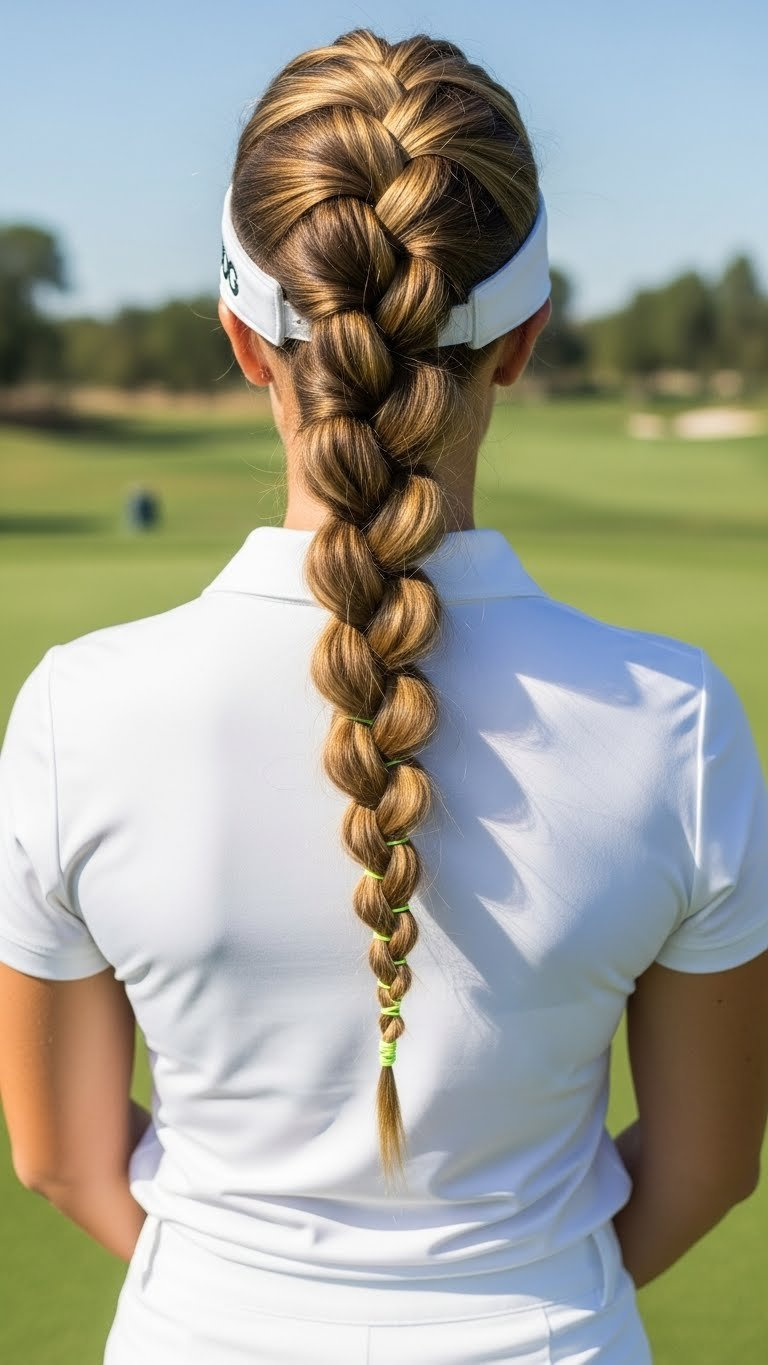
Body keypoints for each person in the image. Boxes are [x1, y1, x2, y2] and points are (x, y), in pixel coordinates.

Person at [0, 27, 766, 1365]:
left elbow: (61, 1156)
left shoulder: (77, 714)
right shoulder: (677, 722)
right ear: (522, 339)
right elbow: (708, 1166)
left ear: (245, 338)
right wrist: (528, 1281)